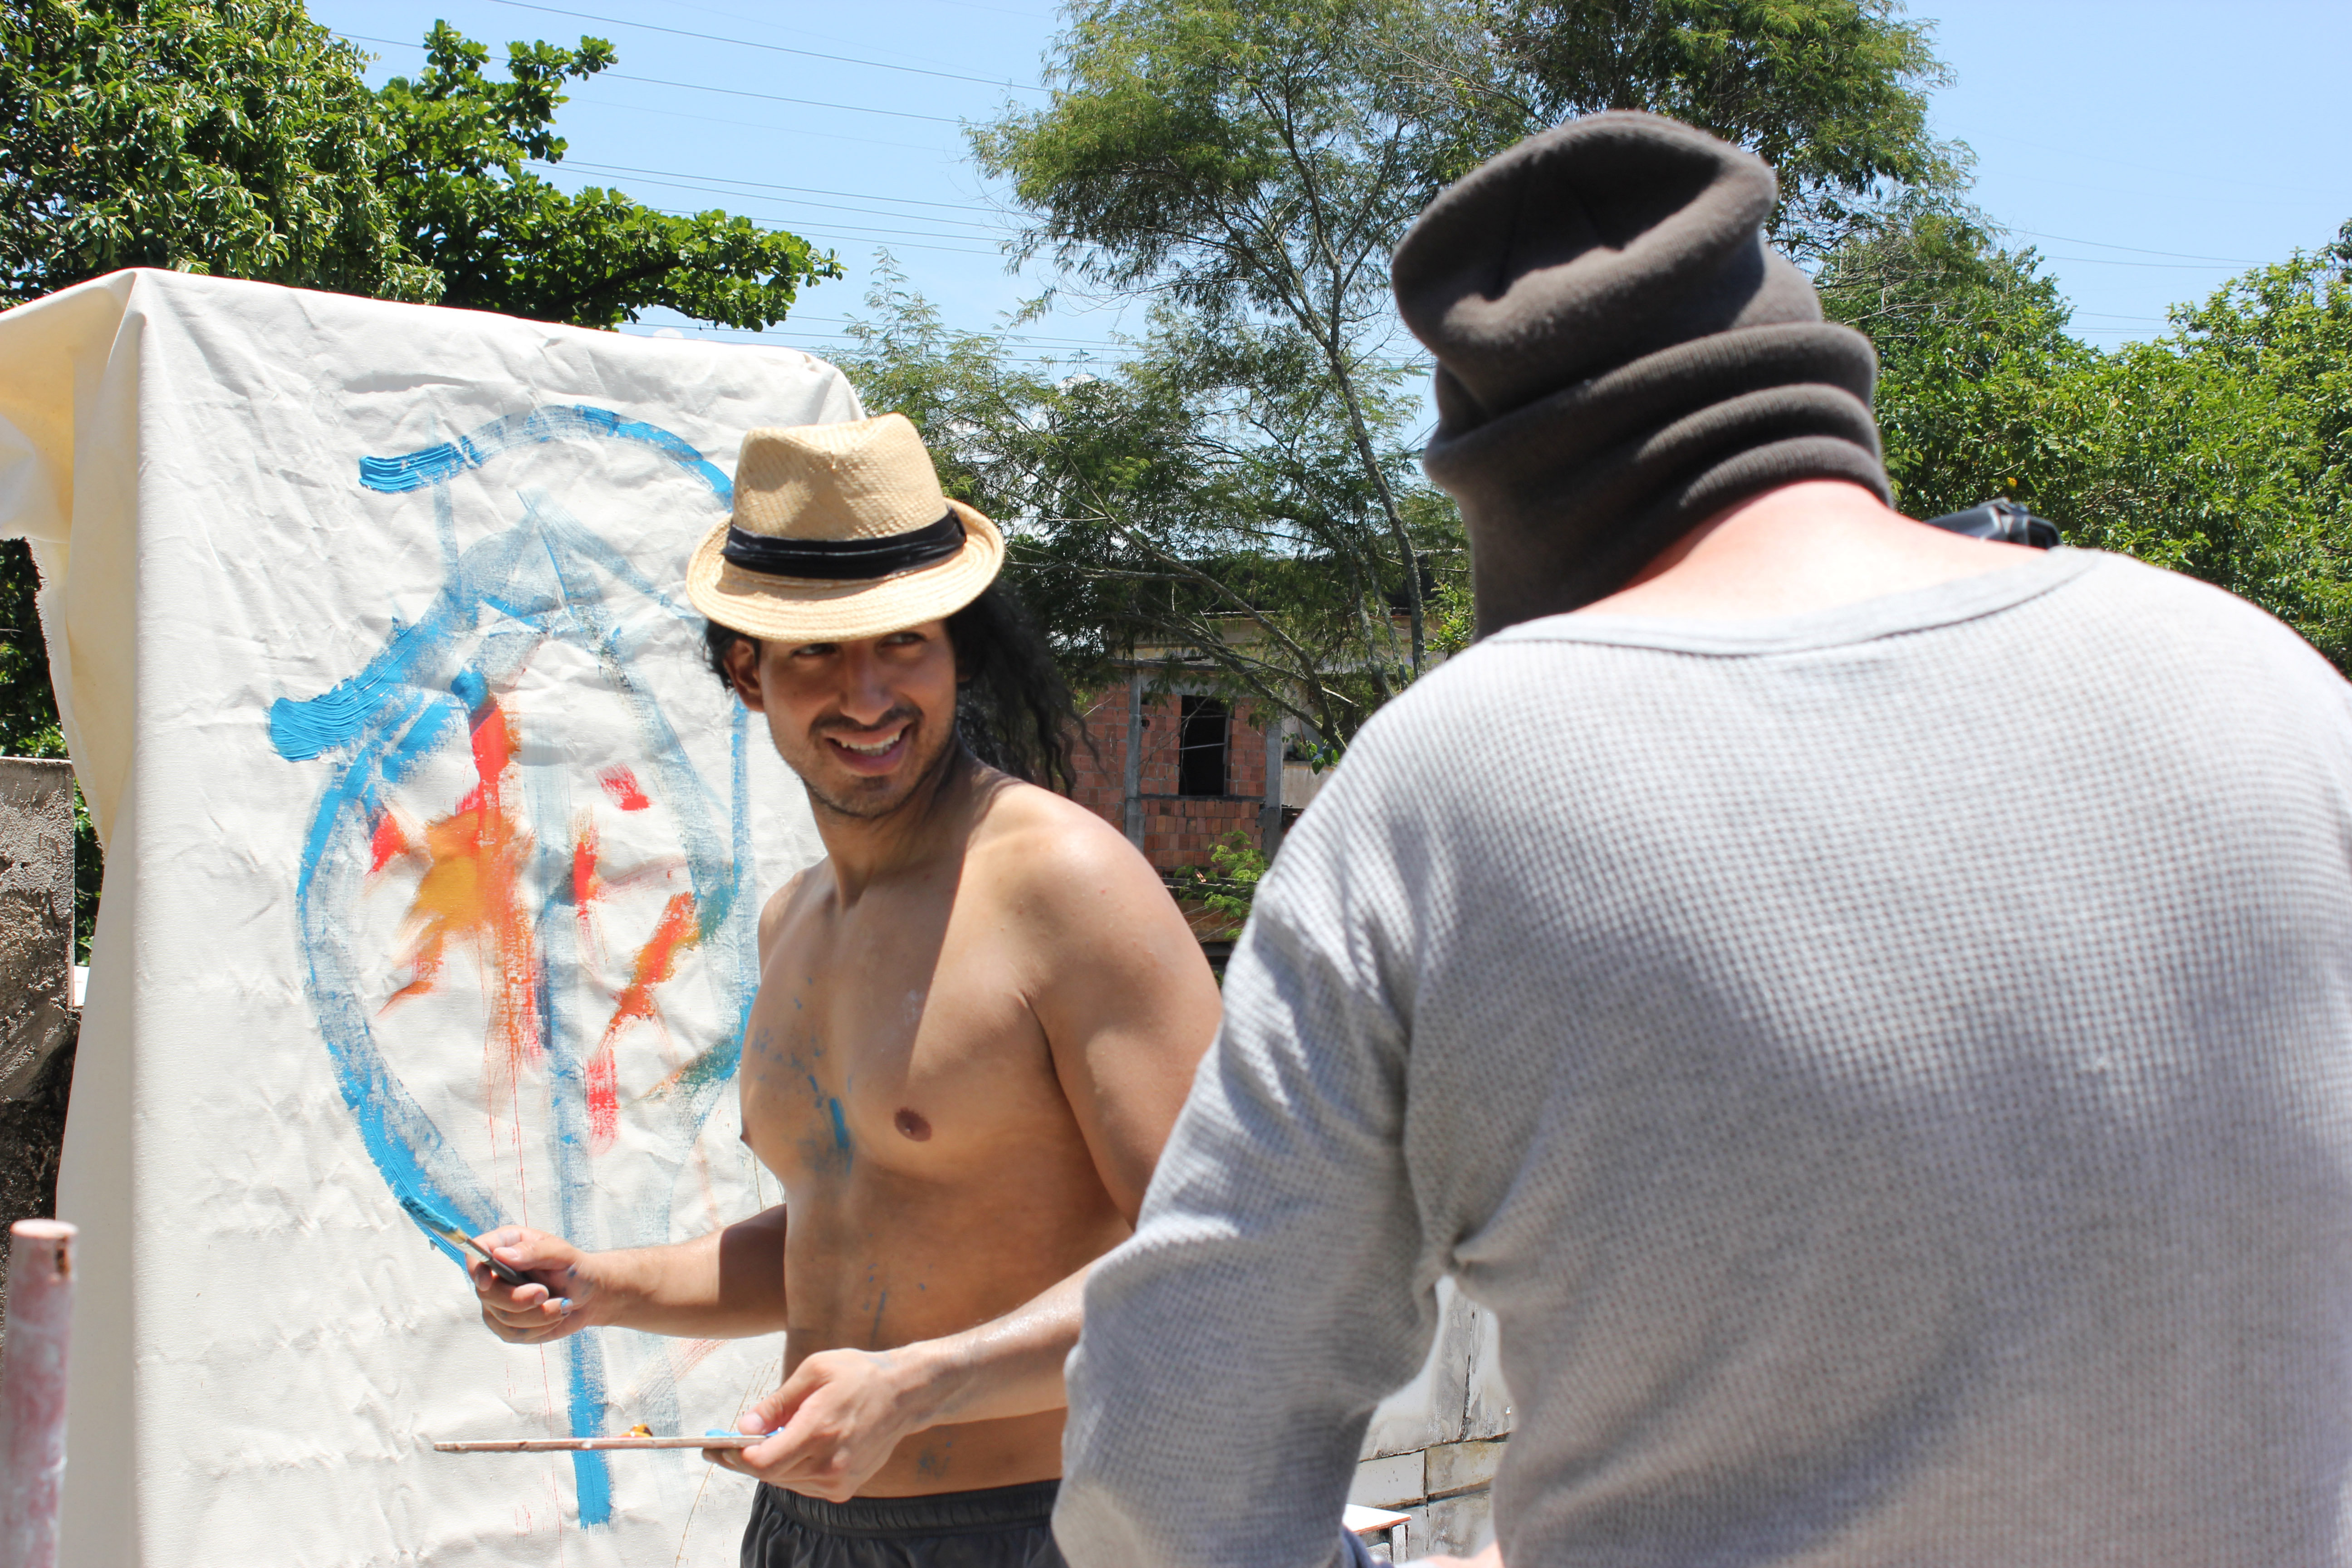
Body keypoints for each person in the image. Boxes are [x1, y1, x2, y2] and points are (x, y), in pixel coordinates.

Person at [1052, 112, 2352, 1568]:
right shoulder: (2270, 687)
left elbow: (1166, 1477)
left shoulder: (1452, 792)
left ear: (1505, 494)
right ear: (1820, 388)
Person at [466, 413, 1223, 1568]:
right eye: (817, 653)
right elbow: (844, 1234)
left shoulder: (1064, 884)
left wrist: (919, 1390)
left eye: (904, 643)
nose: (867, 696)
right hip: (808, 1532)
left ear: (956, 650)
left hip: (1044, 1528)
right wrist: (601, 1286)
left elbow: (1216, 1260)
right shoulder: (798, 919)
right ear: (746, 671)